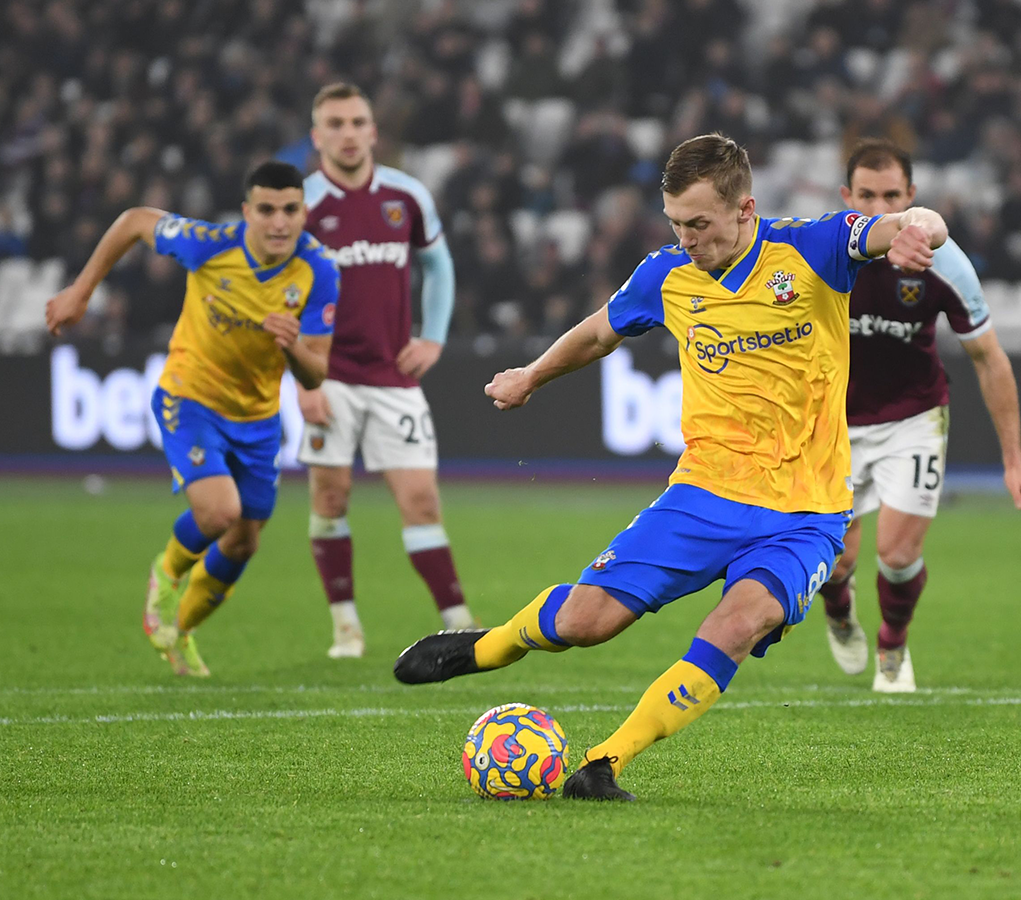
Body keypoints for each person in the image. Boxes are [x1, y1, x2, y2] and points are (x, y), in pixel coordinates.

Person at [393, 133, 946, 800]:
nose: (687, 238)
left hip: (807, 515)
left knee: (740, 623)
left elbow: (906, 222)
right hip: (703, 495)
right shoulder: (665, 275)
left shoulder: (813, 247)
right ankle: (489, 645)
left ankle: (605, 764)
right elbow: (600, 331)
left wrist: (919, 228)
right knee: (585, 625)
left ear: (745, 209)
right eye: (677, 223)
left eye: (700, 224)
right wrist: (533, 376)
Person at [44, 161, 339, 676]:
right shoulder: (209, 244)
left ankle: (180, 632)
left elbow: (315, 373)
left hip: (258, 419)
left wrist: (291, 348)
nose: (278, 222)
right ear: (247, 212)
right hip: (190, 396)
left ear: (303, 211)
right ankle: (166, 572)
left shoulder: (319, 271)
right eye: (266, 209)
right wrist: (82, 292)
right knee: (219, 512)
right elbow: (136, 220)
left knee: (244, 541)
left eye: (290, 210)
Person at [819, 140, 1021, 691]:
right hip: (831, 425)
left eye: (891, 195)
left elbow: (989, 357)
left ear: (911, 196)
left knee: (896, 555)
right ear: (846, 196)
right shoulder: (821, 254)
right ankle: (837, 607)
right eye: (866, 195)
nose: (878, 208)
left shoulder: (945, 264)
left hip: (912, 418)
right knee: (833, 561)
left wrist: (1014, 461)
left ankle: (892, 644)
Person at [297, 83, 473, 658]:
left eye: (357, 122)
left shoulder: (406, 195)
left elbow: (439, 266)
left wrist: (433, 336)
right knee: (331, 497)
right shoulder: (300, 207)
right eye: (335, 123)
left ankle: (458, 620)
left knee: (421, 500)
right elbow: (279, 298)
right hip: (330, 375)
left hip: (395, 378)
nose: (348, 133)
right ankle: (345, 625)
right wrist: (304, 381)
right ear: (317, 135)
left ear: (373, 130)